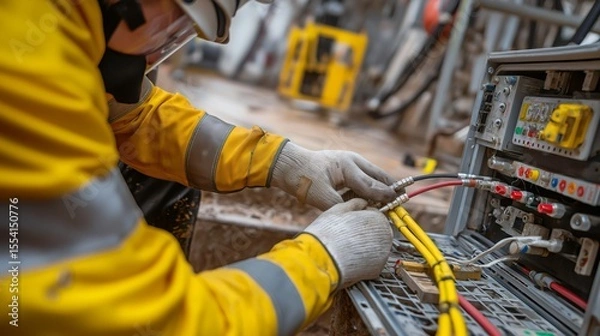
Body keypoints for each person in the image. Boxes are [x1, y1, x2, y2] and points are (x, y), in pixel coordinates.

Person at [0, 1, 395, 335]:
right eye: (178, 25)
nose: (162, 50)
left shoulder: (54, 23)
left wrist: (282, 161)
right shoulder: (28, 78)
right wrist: (323, 260)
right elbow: (167, 322)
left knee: (163, 180)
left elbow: (136, 118)